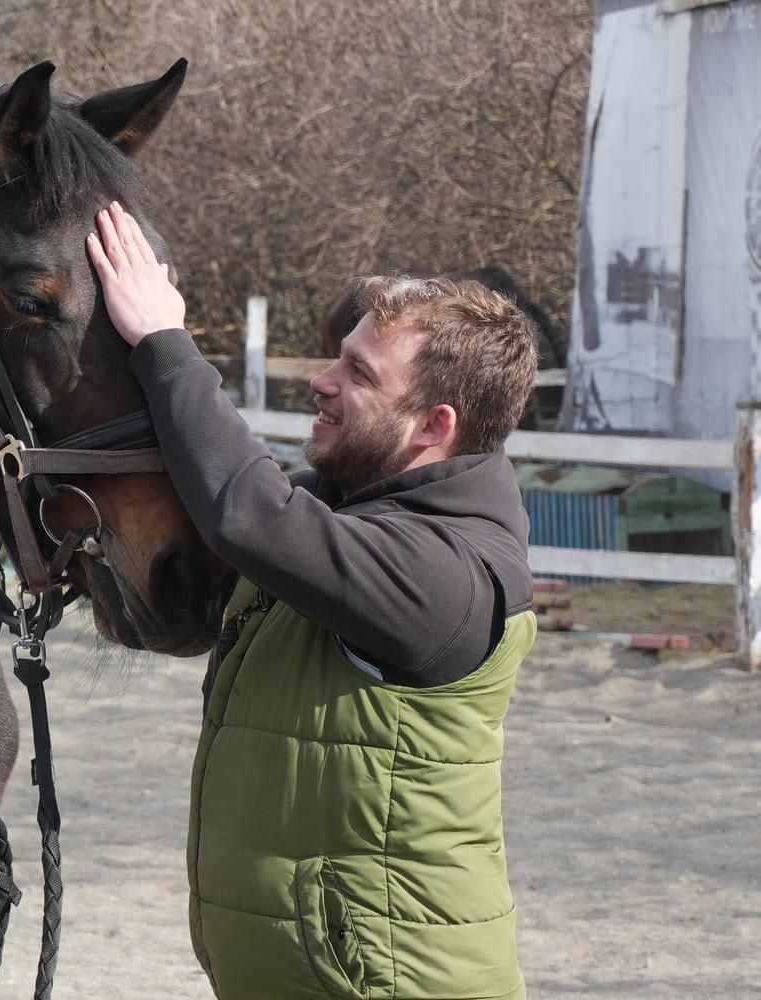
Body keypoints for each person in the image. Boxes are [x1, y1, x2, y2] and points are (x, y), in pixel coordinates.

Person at [88, 203, 538, 1000]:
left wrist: (165, 342)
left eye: (359, 374)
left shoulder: (448, 575)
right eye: (340, 358)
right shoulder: (347, 515)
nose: (323, 382)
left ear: (433, 425)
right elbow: (226, 504)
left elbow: (248, 512)